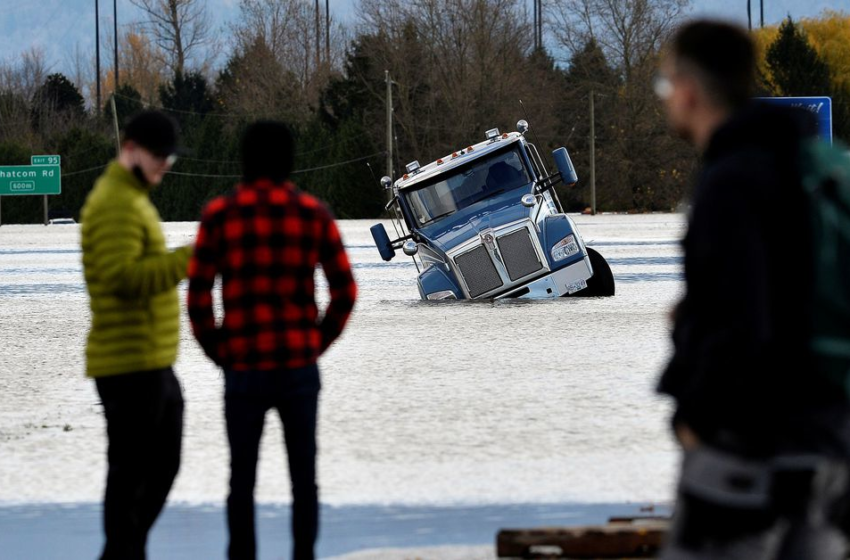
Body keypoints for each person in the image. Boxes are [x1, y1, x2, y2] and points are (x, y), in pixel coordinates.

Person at [656, 20, 850, 560]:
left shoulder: (733, 180)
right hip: (834, 441)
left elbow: (739, 324)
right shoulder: (827, 168)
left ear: (689, 89)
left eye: (666, 85)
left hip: (748, 449)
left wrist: (693, 417)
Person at [187, 121, 357, 560]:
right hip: (298, 368)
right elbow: (345, 291)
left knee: (241, 477)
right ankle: (304, 554)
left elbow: (198, 296)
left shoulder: (220, 215)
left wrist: (219, 350)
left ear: (243, 159)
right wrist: (315, 343)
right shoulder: (312, 213)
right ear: (288, 160)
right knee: (305, 477)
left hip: (243, 367)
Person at [80, 110, 192, 559]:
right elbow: (123, 277)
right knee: (130, 476)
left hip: (148, 361)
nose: (165, 163)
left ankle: (126, 550)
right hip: (127, 365)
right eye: (158, 154)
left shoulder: (132, 196)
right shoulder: (115, 203)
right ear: (130, 150)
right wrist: (192, 257)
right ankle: (122, 552)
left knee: (158, 467)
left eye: (169, 156)